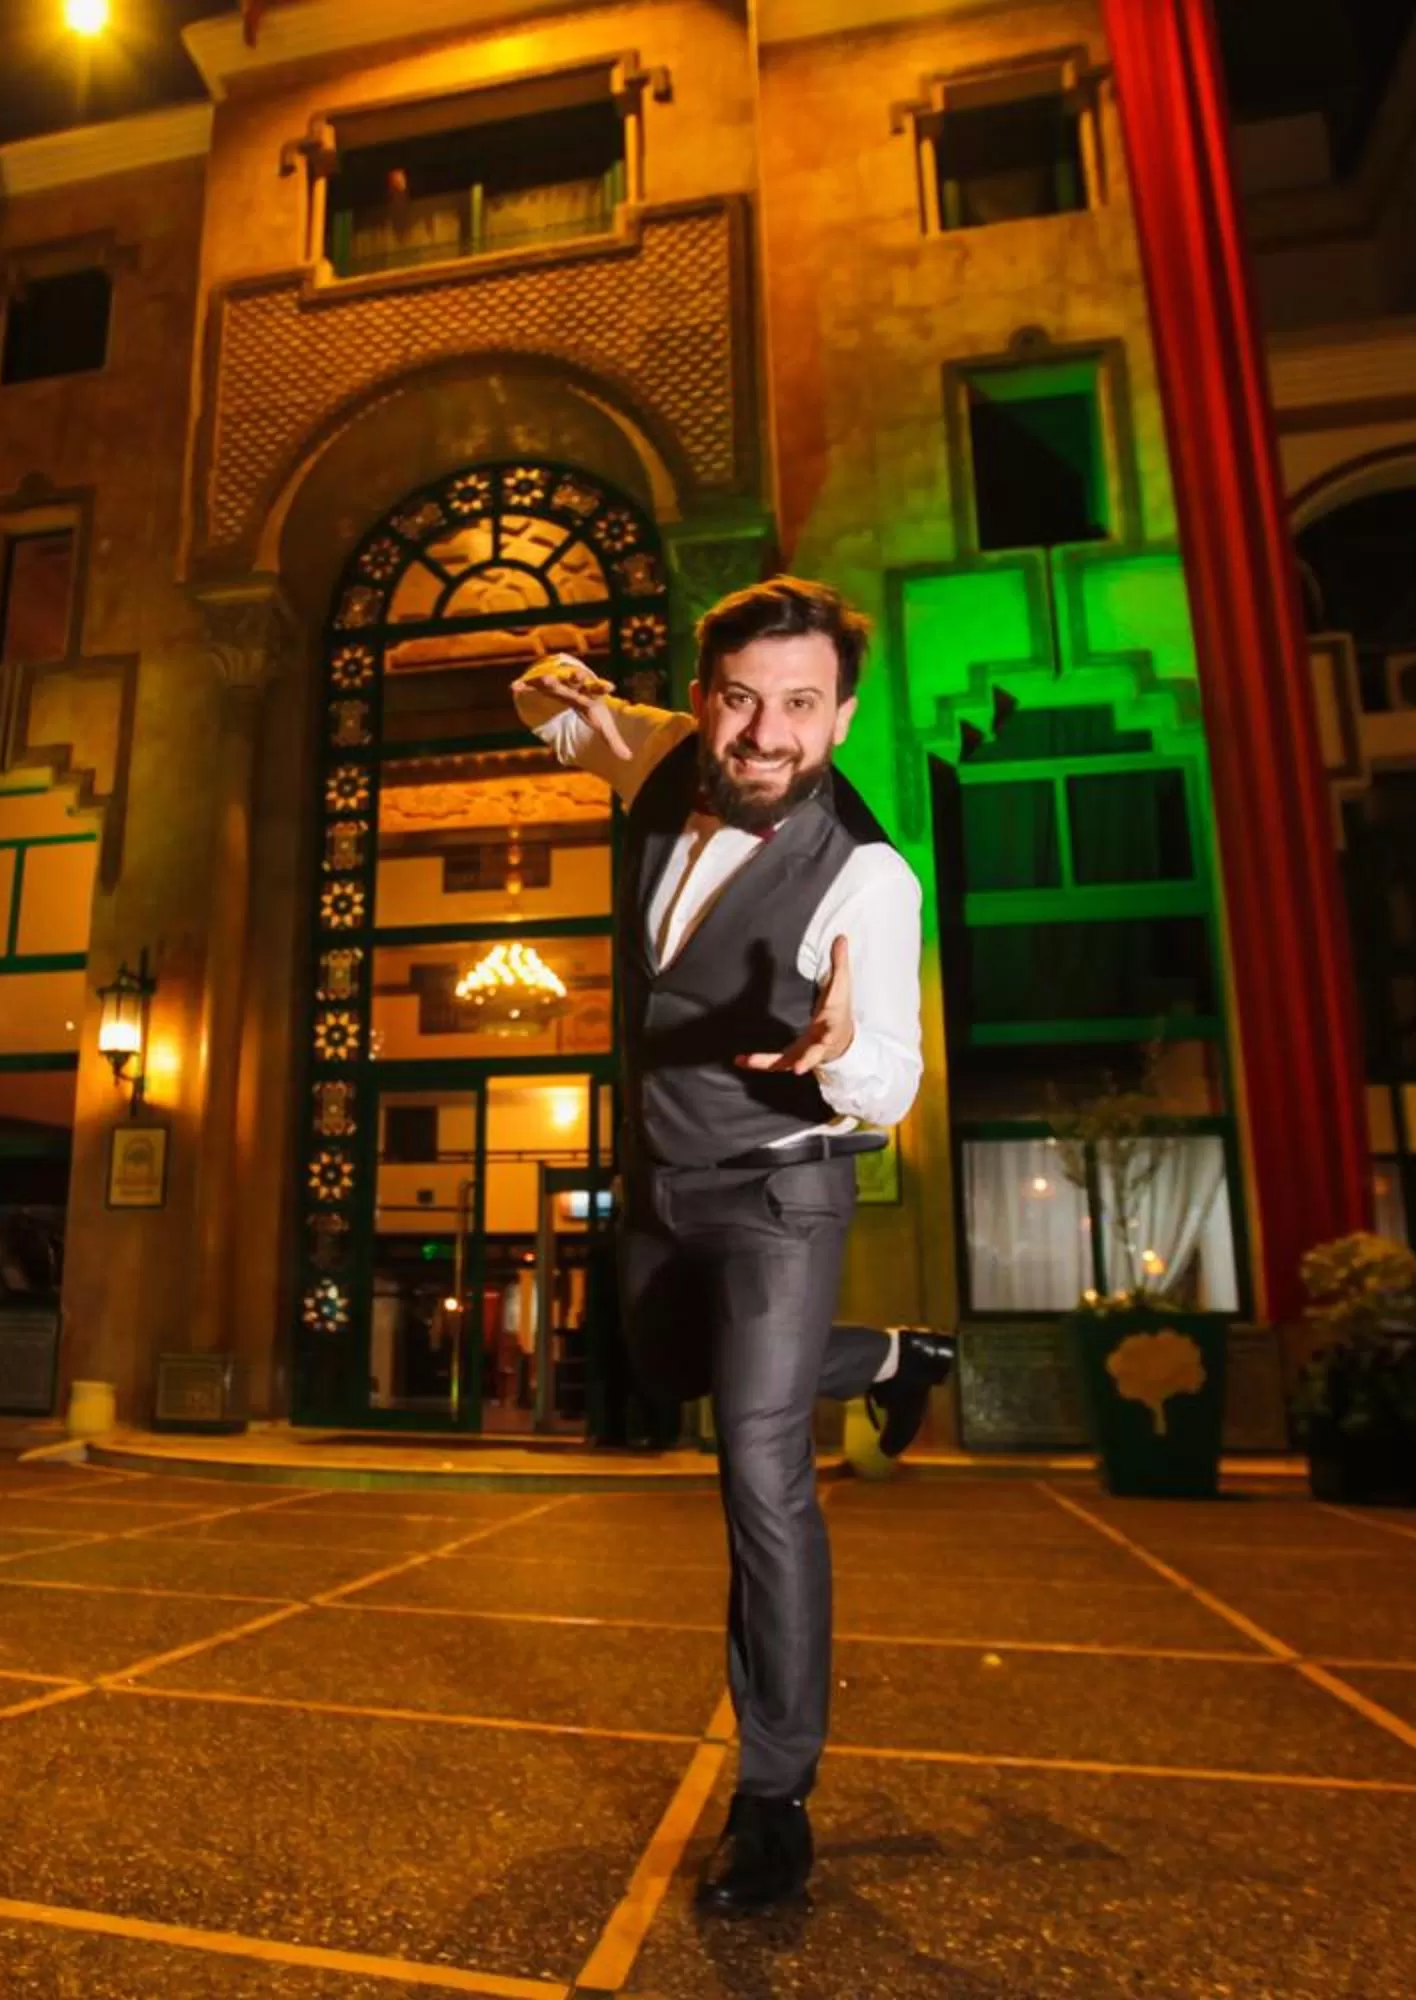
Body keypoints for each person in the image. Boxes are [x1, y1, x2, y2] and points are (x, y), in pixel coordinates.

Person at [512, 577, 955, 1914]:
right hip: (661, 1175)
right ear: (703, 696)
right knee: (656, 1381)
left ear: (842, 715)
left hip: (780, 1187)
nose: (767, 732)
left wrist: (842, 1063)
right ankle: (885, 1356)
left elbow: (895, 1070)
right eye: (743, 699)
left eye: (801, 706)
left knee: (759, 1470)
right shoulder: (661, 755)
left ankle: (774, 1794)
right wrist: (553, 674)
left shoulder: (869, 875)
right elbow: (544, 711)